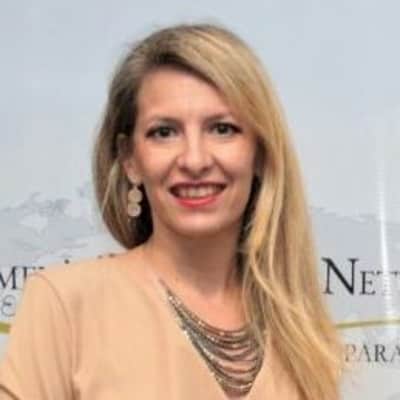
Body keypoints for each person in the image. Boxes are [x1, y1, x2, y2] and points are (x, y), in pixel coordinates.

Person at [0, 23, 345, 400]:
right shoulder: (65, 304)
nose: (195, 160)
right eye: (164, 132)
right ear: (130, 159)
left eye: (222, 129)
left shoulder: (300, 331)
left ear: (260, 152)